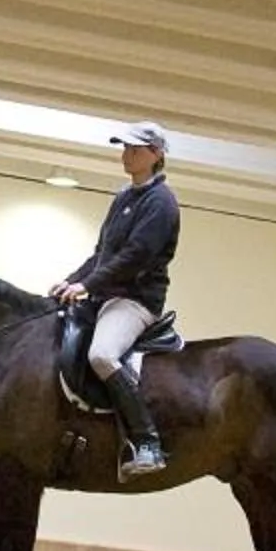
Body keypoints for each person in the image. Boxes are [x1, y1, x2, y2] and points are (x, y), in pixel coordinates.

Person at [48, 119, 182, 479]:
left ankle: (147, 441)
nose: (126, 154)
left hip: (135, 300)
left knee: (102, 354)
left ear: (156, 154)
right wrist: (72, 281)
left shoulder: (161, 202)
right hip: (105, 295)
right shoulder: (124, 196)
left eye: (135, 149)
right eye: (125, 148)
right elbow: (103, 253)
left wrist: (88, 286)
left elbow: (136, 256)